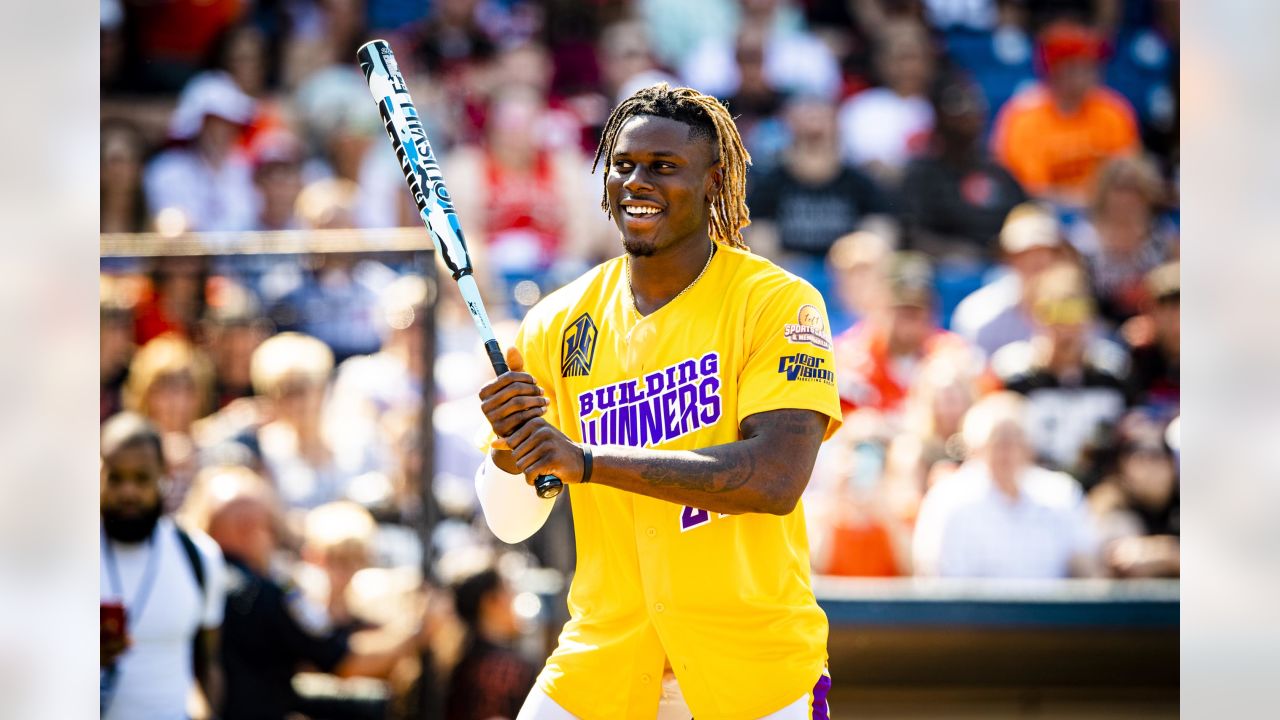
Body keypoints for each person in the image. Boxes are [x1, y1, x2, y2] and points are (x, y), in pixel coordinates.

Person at [475, 84, 840, 719]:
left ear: (712, 180)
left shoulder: (777, 302)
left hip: (753, 671)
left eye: (664, 167)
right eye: (624, 164)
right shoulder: (557, 320)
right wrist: (513, 449)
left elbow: (776, 478)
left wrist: (585, 460)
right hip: (605, 661)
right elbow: (512, 523)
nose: (637, 181)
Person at [189, 465, 432, 720]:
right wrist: (416, 632)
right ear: (251, 529)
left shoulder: (188, 580)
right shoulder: (271, 593)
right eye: (271, 527)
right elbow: (346, 662)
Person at [100, 412, 227, 720]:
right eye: (116, 478)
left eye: (141, 478)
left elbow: (207, 664)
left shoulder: (199, 556)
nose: (128, 492)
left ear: (163, 475)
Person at [912, 392, 1101, 578]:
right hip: (972, 608)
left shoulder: (1061, 494)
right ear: (975, 448)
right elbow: (931, 575)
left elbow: (1086, 569)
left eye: (1015, 439)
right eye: (997, 441)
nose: (1007, 451)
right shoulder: (947, 499)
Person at [986, 261, 1131, 474]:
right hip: (1029, 488)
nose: (1065, 325)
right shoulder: (1011, 373)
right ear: (1033, 315)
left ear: (1090, 316)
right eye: (1053, 311)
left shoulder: (1114, 371)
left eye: (1075, 311)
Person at [989, 20, 1140, 207]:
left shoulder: (1113, 110)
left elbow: (1127, 172)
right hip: (1046, 212)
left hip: (1106, 210)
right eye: (1083, 64)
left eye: (1094, 63)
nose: (1095, 71)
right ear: (1058, 69)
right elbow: (1029, 189)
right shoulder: (1023, 116)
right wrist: (1080, 201)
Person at [745, 93, 891, 264]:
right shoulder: (770, 184)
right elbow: (758, 237)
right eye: (807, 122)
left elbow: (882, 232)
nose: (815, 128)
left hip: (847, 272)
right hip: (789, 275)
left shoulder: (861, 183)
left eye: (822, 121)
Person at [899, 76, 1028, 262]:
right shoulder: (922, 175)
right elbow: (912, 236)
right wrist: (956, 252)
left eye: (974, 105)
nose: (968, 114)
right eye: (958, 106)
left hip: (1002, 265)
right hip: (949, 270)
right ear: (939, 116)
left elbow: (1026, 214)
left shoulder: (997, 171)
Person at [833, 251, 975, 420]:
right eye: (902, 311)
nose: (909, 322)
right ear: (881, 307)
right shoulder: (850, 356)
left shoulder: (951, 353)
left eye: (917, 311)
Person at [1068, 154, 1177, 327]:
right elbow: (1076, 295)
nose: (1125, 198)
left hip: (1155, 327)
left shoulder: (1163, 236)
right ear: (1103, 195)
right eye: (1118, 189)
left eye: (1132, 189)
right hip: (1101, 327)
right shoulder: (1083, 241)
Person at [950, 202, 1067, 357]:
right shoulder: (979, 314)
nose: (1036, 261)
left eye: (1045, 251)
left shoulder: (1076, 309)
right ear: (1007, 257)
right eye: (1025, 253)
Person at [837, 19, 936, 186]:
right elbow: (862, 166)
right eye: (901, 58)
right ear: (881, 62)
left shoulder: (946, 108)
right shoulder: (860, 110)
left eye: (915, 57)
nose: (909, 67)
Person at [445, 568, 539, 720]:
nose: (515, 597)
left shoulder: (451, 663)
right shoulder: (521, 667)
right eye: (508, 590)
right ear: (490, 602)